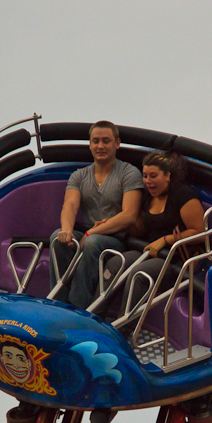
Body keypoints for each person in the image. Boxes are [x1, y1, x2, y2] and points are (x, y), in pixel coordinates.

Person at [49, 121, 144, 309]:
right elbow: (70, 205)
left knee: (93, 243)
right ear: (90, 144)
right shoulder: (79, 175)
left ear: (117, 144)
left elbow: (129, 215)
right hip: (89, 235)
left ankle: (78, 308)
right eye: (96, 141)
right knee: (56, 238)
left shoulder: (129, 173)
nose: (100, 146)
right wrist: (67, 230)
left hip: (117, 239)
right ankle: (57, 305)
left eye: (106, 141)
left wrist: (91, 233)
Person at [106, 151, 205, 314]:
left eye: (153, 176)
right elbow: (139, 230)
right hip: (149, 252)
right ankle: (95, 318)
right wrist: (113, 222)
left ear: (167, 176)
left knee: (140, 274)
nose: (148, 181)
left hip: (175, 261)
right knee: (116, 263)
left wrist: (166, 240)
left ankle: (123, 329)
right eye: (145, 176)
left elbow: (201, 232)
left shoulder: (183, 196)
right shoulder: (148, 196)